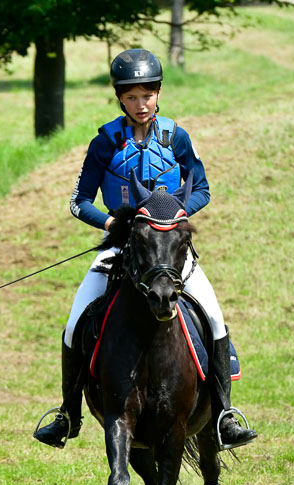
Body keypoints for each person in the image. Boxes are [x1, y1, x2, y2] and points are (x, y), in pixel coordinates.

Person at [34, 48, 257, 450]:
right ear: (120, 98)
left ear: (158, 94)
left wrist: (171, 220)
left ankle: (224, 415)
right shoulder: (104, 142)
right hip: (121, 248)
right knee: (73, 322)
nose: (141, 104)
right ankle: (68, 414)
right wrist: (112, 224)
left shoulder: (178, 138)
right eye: (132, 97)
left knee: (215, 317)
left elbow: (202, 188)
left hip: (169, 251)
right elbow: (78, 200)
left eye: (148, 95)